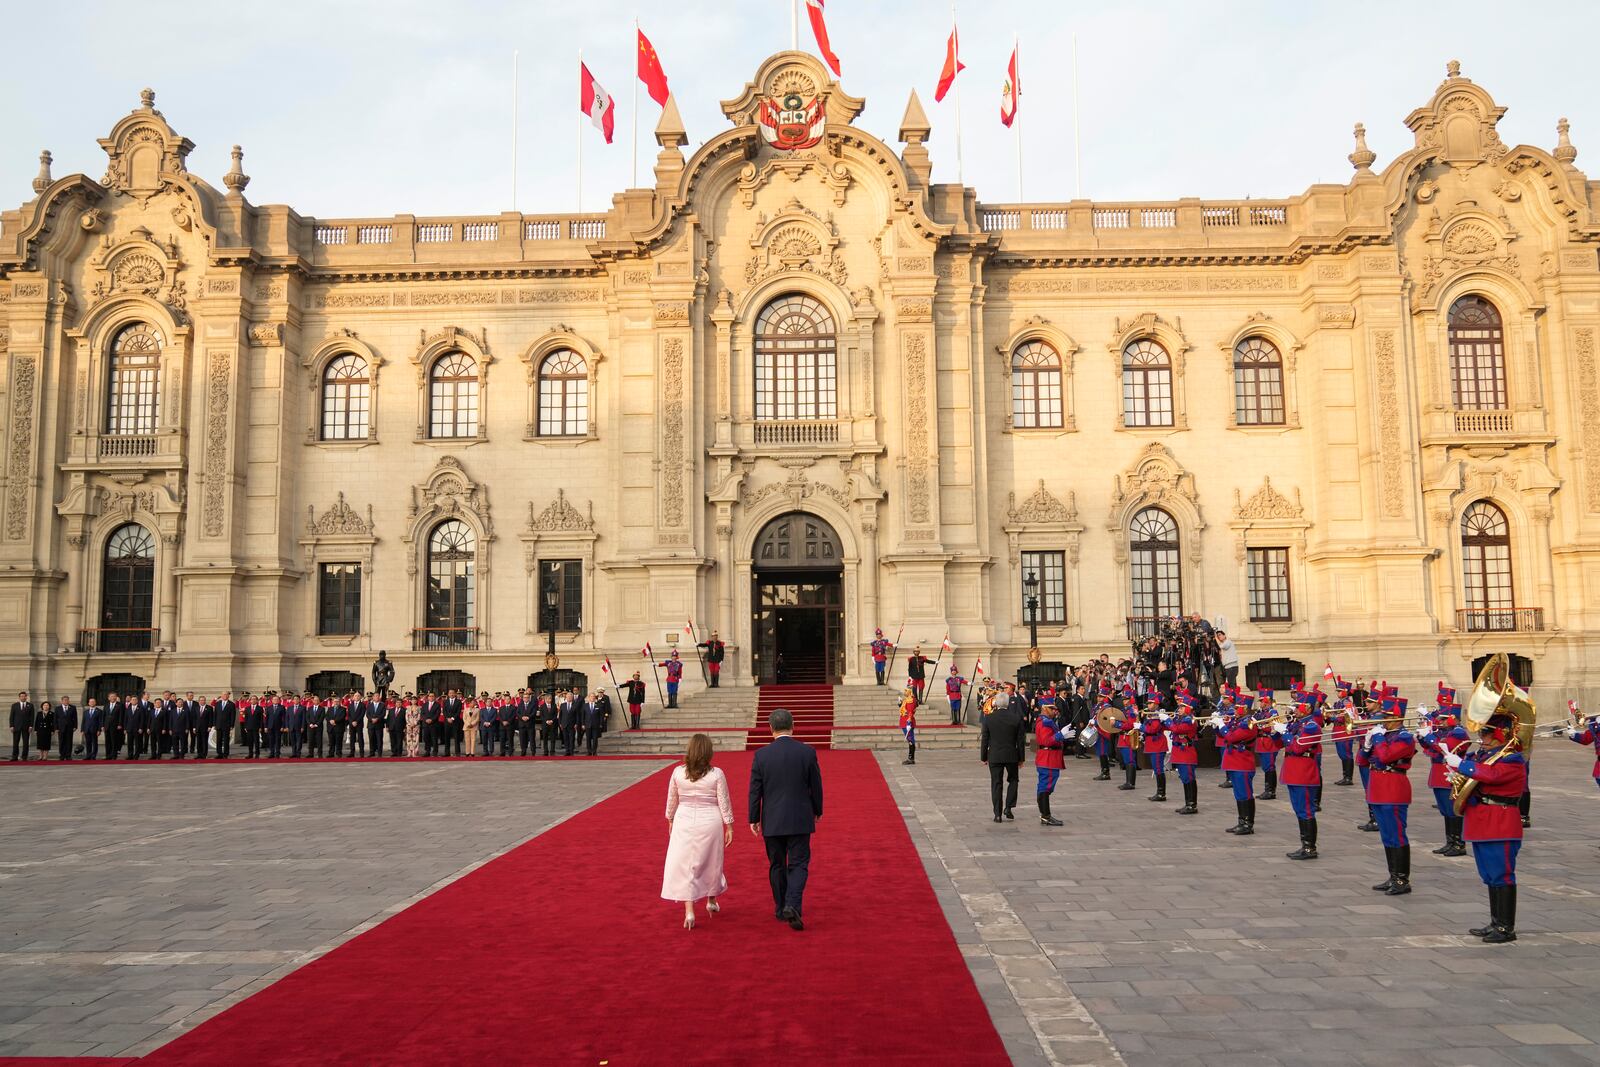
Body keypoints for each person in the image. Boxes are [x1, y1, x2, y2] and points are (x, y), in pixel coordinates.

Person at [1443, 708, 1528, 943]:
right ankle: (1495, 922)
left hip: (1500, 821)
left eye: (1487, 732)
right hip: (1482, 820)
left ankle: (1506, 928)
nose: (1482, 736)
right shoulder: (1483, 755)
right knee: (1489, 875)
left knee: (1502, 874)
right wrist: (1455, 767)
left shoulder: (1512, 758)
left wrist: (1462, 765)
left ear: (1501, 734)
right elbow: (1476, 773)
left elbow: (1491, 776)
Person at [748, 708, 824, 931]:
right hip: (800, 816)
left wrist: (754, 817)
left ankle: (781, 908)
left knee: (777, 864)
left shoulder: (761, 755)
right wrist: (817, 809)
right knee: (799, 863)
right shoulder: (807, 752)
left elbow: (755, 790)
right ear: (793, 726)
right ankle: (792, 903)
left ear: (770, 728)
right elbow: (816, 785)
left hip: (772, 819)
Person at [663, 734, 735, 930]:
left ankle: (689, 910)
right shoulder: (716, 774)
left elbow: (672, 799)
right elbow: (724, 801)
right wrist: (729, 824)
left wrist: (670, 819)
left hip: (684, 819)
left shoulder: (678, 772)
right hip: (710, 820)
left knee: (686, 863)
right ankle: (711, 899)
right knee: (711, 860)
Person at [1358, 697, 1417, 896]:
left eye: (1388, 717)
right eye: (1384, 717)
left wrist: (1377, 738)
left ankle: (1402, 879)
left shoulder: (1404, 737)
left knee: (1396, 834)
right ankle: (1393, 876)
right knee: (1386, 836)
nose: (1383, 721)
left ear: (1398, 717)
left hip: (1393, 788)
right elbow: (1361, 761)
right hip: (1378, 787)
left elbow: (1385, 757)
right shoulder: (1384, 734)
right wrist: (1366, 746)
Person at [1418, 703, 1470, 857]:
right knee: (1446, 811)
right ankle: (1450, 842)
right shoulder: (1445, 731)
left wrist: (1429, 736)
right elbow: (1431, 748)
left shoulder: (1458, 733)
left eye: (1442, 719)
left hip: (1451, 775)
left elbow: (1445, 749)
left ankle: (1459, 844)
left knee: (1453, 810)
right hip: (1439, 774)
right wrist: (1422, 737)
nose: (1439, 721)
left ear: (1452, 719)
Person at [1278, 707, 1322, 860]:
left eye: (1297, 707)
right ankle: (1305, 844)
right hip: (1293, 770)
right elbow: (1280, 745)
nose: (1294, 710)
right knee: (1299, 809)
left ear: (1307, 708)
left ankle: (1310, 847)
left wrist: (1285, 733)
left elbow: (1297, 748)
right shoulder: (1297, 724)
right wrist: (1275, 732)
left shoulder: (1311, 726)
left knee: (1305, 810)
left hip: (1303, 771)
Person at [980, 685, 1027, 822]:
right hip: (1011, 754)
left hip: (994, 755)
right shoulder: (1016, 718)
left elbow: (985, 739)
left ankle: (997, 814)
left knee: (996, 783)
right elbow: (1020, 740)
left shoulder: (988, 718)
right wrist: (1021, 758)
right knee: (1013, 780)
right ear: (1007, 703)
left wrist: (983, 756)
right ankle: (1009, 807)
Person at [1034, 701, 1072, 827]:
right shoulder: (1045, 722)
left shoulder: (1045, 720)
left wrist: (1062, 736)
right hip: (1048, 758)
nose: (1055, 711)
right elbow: (1046, 741)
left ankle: (1045, 815)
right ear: (1045, 708)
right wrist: (1060, 735)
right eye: (1052, 709)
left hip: (1048, 757)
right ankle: (1046, 816)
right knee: (1045, 786)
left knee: (1044, 786)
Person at [1168, 696, 1200, 815]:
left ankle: (1192, 805)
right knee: (1184, 778)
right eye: (1180, 706)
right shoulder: (1180, 718)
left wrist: (1167, 720)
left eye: (1182, 707)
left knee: (1189, 778)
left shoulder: (1189, 720)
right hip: (1180, 752)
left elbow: (1177, 730)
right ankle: (1188, 803)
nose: (1179, 708)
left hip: (1186, 752)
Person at [897, 686, 918, 766]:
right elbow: (904, 709)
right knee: (909, 739)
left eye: (906, 690)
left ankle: (911, 758)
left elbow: (910, 712)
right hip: (904, 721)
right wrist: (900, 703)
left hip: (907, 722)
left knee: (910, 740)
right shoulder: (907, 700)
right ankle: (911, 758)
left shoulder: (911, 700)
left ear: (910, 691)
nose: (904, 692)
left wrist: (909, 723)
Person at [54, 695, 78, 761]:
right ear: (61, 701)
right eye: (64, 700)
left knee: (69, 742)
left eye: (67, 700)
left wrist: (75, 726)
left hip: (70, 728)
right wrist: (56, 728)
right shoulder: (57, 708)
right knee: (61, 742)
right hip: (60, 728)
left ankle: (68, 755)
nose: (66, 701)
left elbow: (75, 718)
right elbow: (55, 719)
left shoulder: (72, 707)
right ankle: (62, 755)